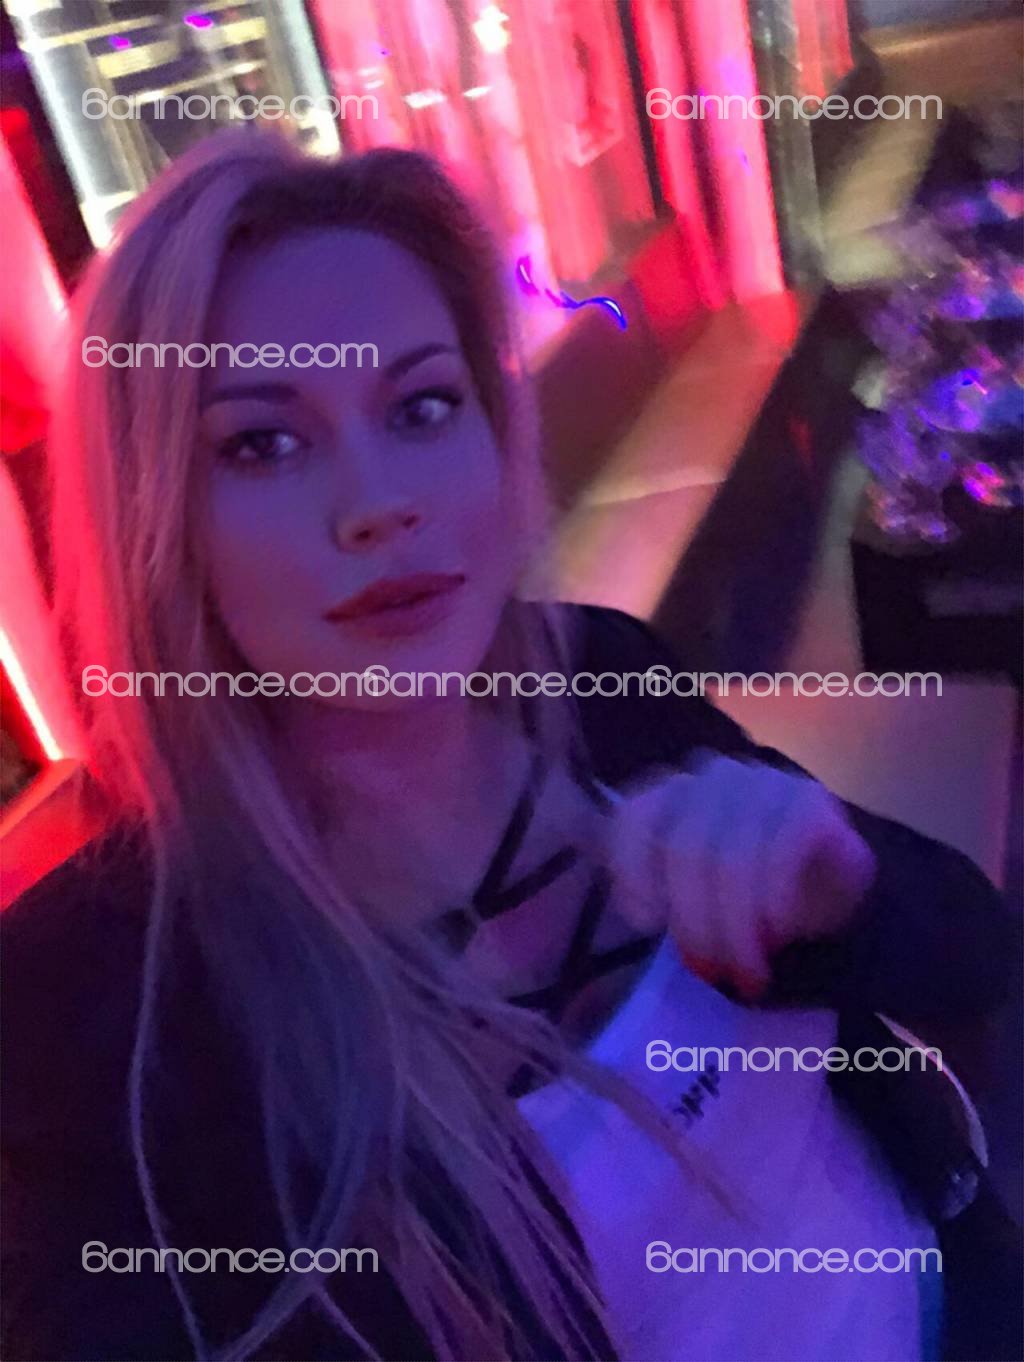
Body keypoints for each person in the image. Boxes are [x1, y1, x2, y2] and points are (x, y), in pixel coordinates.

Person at [1, 130, 1019, 1362]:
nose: (380, 503)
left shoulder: (593, 678)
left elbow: (971, 958)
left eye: (422, 407)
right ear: (157, 518)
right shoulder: (94, 997)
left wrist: (845, 889)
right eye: (262, 442)